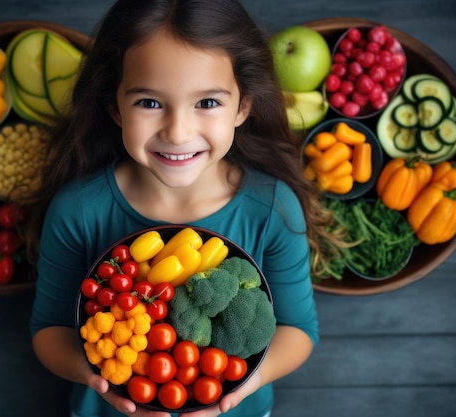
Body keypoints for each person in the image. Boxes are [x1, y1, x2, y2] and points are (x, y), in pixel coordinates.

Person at [20, 0, 340, 416]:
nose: (178, 131)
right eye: (149, 103)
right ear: (115, 106)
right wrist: (98, 378)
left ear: (243, 106)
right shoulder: (78, 209)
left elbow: (299, 331)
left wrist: (243, 388)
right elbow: (49, 332)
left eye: (207, 103)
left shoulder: (272, 208)